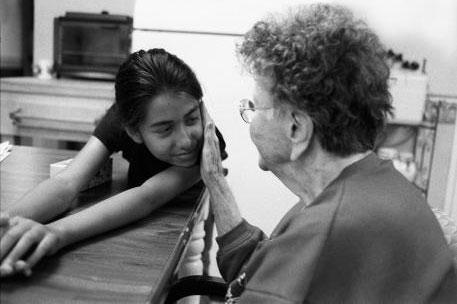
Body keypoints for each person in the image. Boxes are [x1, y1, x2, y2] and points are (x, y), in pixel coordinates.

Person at [200, 4, 457, 303]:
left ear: (297, 129)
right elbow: (264, 273)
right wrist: (216, 181)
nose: (251, 119)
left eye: (255, 107)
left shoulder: (330, 228)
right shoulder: (368, 188)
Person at [0, 48, 227, 277]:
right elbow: (67, 182)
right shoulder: (121, 118)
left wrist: (55, 232)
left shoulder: (208, 141)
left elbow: (147, 197)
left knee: (189, 273)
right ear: (133, 131)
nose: (186, 140)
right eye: (166, 129)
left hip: (186, 216)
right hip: (137, 219)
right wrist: (7, 221)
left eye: (191, 118)